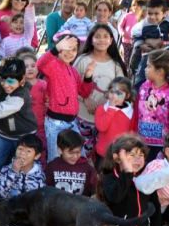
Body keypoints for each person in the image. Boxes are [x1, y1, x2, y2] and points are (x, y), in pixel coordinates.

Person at [37, 33, 95, 162]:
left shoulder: (73, 71)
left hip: (72, 122)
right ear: (59, 48)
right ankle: (52, 182)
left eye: (74, 49)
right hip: (55, 123)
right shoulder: (53, 65)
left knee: (80, 156)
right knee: (55, 158)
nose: (70, 53)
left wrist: (88, 76)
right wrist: (55, 48)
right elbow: (40, 64)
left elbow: (84, 92)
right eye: (66, 48)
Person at [0, 58, 38, 181]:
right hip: (5, 135)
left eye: (10, 81)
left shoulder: (21, 96)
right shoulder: (2, 86)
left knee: (20, 166)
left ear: (22, 80)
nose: (5, 84)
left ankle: (15, 191)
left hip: (23, 137)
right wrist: (0, 63)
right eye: (3, 80)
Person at [73, 24, 128, 158]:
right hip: (83, 116)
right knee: (82, 152)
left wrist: (105, 105)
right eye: (97, 36)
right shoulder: (82, 60)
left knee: (102, 153)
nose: (101, 40)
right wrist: (85, 100)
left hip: (106, 119)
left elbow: (121, 90)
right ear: (91, 39)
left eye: (105, 37)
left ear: (111, 40)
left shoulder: (115, 64)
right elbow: (71, 85)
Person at [136, 49, 169, 161]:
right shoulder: (144, 87)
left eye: (149, 66)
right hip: (141, 142)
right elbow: (137, 111)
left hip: (161, 147)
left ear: (160, 71)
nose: (145, 69)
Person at [94, 77, 136, 165]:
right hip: (103, 154)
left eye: (119, 93)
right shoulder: (101, 109)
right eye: (112, 92)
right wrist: (111, 109)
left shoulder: (131, 113)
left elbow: (132, 134)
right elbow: (102, 127)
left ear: (127, 96)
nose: (114, 96)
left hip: (121, 156)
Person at [45, 130, 97, 196]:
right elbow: (47, 191)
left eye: (78, 152)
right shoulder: (52, 167)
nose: (75, 156)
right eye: (71, 153)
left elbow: (94, 191)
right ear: (60, 150)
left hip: (81, 205)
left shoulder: (88, 169)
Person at [0, 134, 45, 200]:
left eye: (28, 151)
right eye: (20, 149)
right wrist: (13, 172)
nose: (22, 153)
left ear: (37, 156)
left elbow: (39, 200)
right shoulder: (6, 169)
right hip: (10, 207)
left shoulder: (39, 176)